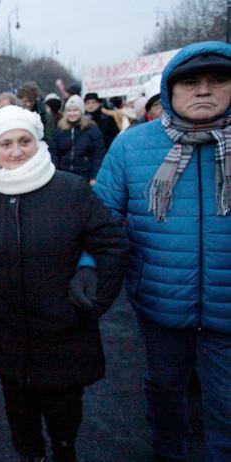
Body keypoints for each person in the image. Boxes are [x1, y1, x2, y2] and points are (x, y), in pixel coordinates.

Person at [0, 105, 128, 462]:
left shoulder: (71, 190)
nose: (16, 151)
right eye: (6, 144)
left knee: (64, 410)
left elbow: (112, 244)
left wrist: (96, 295)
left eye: (24, 141)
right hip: (4, 334)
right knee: (18, 409)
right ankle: (30, 455)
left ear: (38, 142)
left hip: (63, 331)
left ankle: (65, 450)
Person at [94, 41, 231, 462]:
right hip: (160, 304)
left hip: (228, 311)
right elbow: (100, 222)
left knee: (226, 405)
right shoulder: (132, 147)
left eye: (219, 80)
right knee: (164, 389)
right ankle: (168, 449)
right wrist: (85, 269)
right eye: (191, 82)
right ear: (170, 91)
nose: (204, 90)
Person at [48, 95, 106, 184]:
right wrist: (54, 171)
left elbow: (98, 154)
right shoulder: (60, 129)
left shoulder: (91, 128)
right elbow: (53, 152)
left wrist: (94, 176)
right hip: (63, 174)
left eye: (75, 110)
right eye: (69, 110)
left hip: (84, 174)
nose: (72, 113)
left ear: (81, 111)